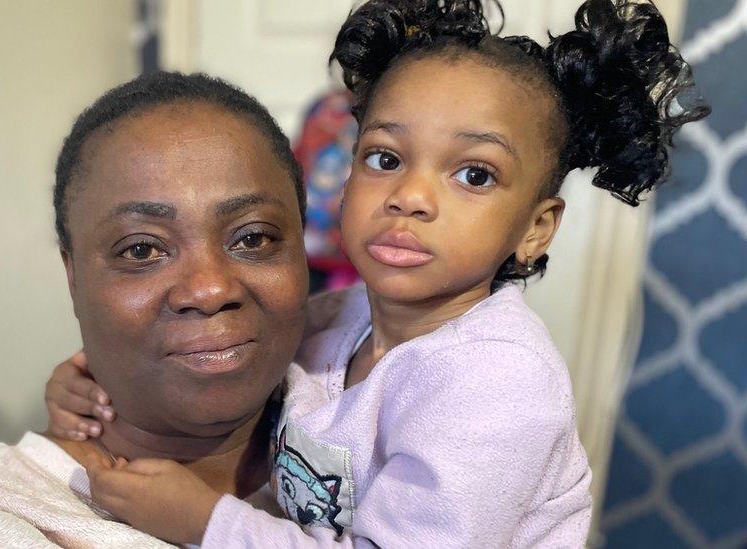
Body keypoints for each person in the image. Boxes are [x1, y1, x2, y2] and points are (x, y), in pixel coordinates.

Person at [44, 0, 709, 546]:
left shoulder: (499, 385)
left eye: (473, 173)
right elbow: (222, 367)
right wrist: (96, 385)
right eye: (386, 158)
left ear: (535, 227)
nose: (411, 196)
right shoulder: (339, 318)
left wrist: (206, 522)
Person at [0, 71, 311, 547]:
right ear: (73, 276)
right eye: (141, 250)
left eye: (253, 237)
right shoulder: (0, 524)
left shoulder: (378, 432)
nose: (210, 289)